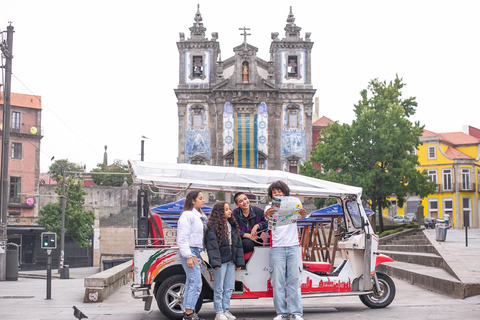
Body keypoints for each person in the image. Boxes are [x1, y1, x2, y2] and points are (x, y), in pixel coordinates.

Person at [264, 181, 306, 320]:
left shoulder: (294, 203)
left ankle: (295, 312)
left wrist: (302, 213)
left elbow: (301, 217)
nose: (277, 194)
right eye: (274, 192)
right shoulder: (269, 207)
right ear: (271, 195)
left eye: (279, 191)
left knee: (294, 280)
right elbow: (266, 216)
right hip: (277, 248)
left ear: (285, 192)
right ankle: (281, 313)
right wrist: (267, 214)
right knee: (278, 282)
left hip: (293, 246)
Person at [205, 202, 245, 320]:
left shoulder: (232, 225)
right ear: (219, 213)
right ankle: (219, 312)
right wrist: (216, 263)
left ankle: (226, 310)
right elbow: (212, 247)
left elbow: (238, 245)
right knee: (219, 287)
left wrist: (239, 262)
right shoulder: (213, 227)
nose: (229, 211)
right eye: (226, 209)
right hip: (221, 261)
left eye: (229, 209)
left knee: (229, 287)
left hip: (231, 260)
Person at [177, 191, 208, 320]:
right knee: (195, 282)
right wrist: (188, 256)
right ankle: (189, 313)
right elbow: (182, 237)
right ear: (193, 200)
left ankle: (188, 313)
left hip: (195, 251)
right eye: (200, 198)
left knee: (192, 282)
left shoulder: (198, 216)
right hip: (190, 251)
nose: (203, 200)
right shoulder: (187, 215)